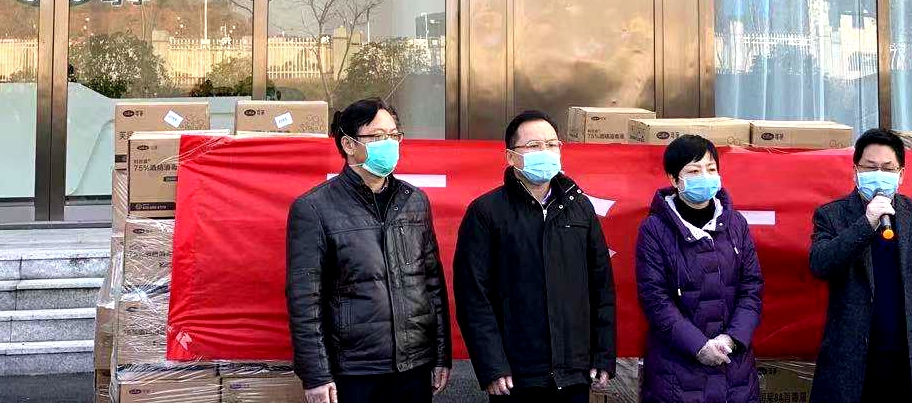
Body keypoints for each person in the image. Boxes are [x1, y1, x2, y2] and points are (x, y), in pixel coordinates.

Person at [285, 98, 451, 404]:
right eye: (377, 136)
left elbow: (431, 284)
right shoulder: (314, 208)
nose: (389, 144)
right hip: (354, 370)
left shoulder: (414, 201)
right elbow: (305, 301)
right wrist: (316, 375)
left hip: (414, 367)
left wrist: (441, 355)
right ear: (349, 144)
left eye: (394, 135)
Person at [453, 109, 616, 402]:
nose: (546, 151)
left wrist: (603, 354)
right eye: (534, 145)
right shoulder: (486, 212)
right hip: (516, 375)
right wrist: (492, 365)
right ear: (511, 156)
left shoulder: (580, 208)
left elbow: (601, 287)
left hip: (574, 372)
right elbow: (473, 297)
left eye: (552, 144)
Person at [807, 127, 912, 402]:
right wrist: (866, 223)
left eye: (888, 168)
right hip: (852, 361)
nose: (879, 173)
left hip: (908, 359)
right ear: (855, 171)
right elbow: (820, 264)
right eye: (870, 167)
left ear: (901, 174)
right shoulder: (831, 215)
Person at [635, 134, 764, 402]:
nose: (705, 176)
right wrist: (699, 346)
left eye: (711, 169)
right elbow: (655, 299)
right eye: (694, 171)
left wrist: (731, 339)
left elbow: (751, 288)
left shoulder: (736, 224)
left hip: (735, 370)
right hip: (676, 371)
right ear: (674, 179)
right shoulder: (654, 230)